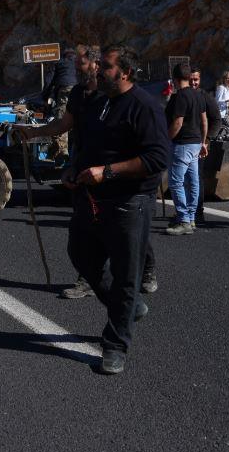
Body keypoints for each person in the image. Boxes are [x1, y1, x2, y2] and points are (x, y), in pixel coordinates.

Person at [18, 46, 159, 297]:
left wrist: (110, 169)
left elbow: (151, 152)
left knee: (127, 232)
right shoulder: (78, 93)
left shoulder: (111, 95)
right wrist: (34, 133)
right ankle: (89, 279)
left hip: (115, 173)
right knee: (85, 233)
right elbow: (64, 124)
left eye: (80, 66)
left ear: (95, 65)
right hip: (85, 164)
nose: (77, 71)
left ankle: (144, 273)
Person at [66, 44, 170, 374]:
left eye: (106, 66)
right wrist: (75, 170)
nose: (98, 70)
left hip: (129, 202)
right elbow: (90, 145)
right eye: (98, 65)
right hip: (92, 199)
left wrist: (107, 172)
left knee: (126, 276)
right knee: (80, 254)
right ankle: (127, 307)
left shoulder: (144, 106)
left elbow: (157, 158)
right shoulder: (102, 103)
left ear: (124, 72)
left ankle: (115, 344)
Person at [164, 63, 207, 236]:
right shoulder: (198, 95)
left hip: (182, 144)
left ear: (174, 78)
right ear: (189, 77)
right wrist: (203, 142)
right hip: (196, 142)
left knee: (176, 182)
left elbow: (178, 122)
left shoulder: (181, 96)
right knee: (193, 181)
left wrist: (166, 140)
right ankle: (191, 218)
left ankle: (183, 220)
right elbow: (204, 121)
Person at [190, 66, 221, 226]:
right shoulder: (180, 96)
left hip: (200, 145)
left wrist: (206, 140)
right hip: (183, 145)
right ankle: (187, 212)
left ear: (199, 80)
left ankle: (198, 212)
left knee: (196, 178)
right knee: (183, 180)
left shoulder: (206, 97)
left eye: (195, 79)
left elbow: (216, 120)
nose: (193, 83)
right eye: (190, 79)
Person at [42, 48, 78, 159]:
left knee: (62, 118)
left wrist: (45, 96)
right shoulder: (79, 63)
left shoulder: (59, 63)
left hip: (65, 90)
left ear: (64, 55)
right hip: (79, 90)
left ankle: (62, 152)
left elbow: (49, 81)